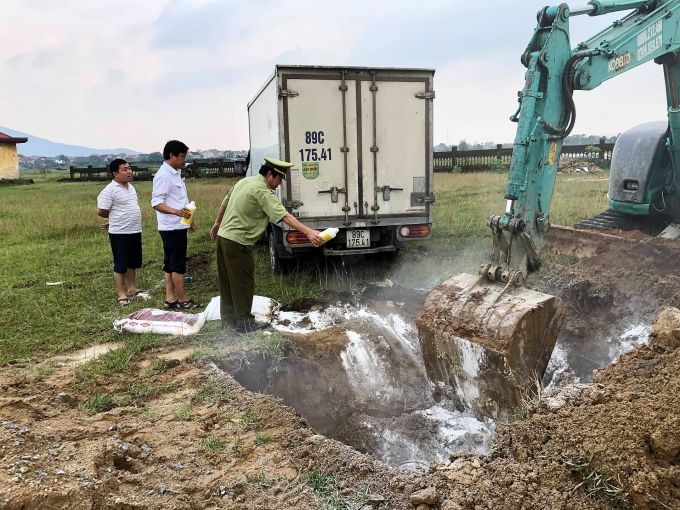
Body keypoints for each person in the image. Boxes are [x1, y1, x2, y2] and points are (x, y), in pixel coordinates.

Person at [210, 157, 324, 333]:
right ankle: (244, 323)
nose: (279, 184)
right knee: (243, 283)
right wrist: (308, 232)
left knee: (227, 282)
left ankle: (228, 321)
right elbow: (284, 216)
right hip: (238, 242)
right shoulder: (262, 191)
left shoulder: (244, 182)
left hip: (223, 238)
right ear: (270, 174)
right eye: (279, 179)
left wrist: (217, 224)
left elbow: (224, 202)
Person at [151, 140, 201, 310]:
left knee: (170, 263)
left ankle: (170, 298)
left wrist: (188, 219)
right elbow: (157, 203)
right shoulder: (164, 175)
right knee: (178, 264)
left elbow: (179, 199)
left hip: (178, 225)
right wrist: (177, 213)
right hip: (171, 227)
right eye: (182, 156)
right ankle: (183, 299)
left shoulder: (175, 172)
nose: (184, 160)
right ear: (171, 155)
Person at [96, 159, 146, 306]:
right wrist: (114, 220)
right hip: (120, 232)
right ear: (115, 174)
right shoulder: (109, 190)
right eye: (125, 169)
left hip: (134, 229)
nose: (129, 171)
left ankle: (132, 288)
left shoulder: (131, 188)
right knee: (121, 263)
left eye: (129, 168)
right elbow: (101, 211)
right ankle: (122, 293)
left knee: (133, 262)